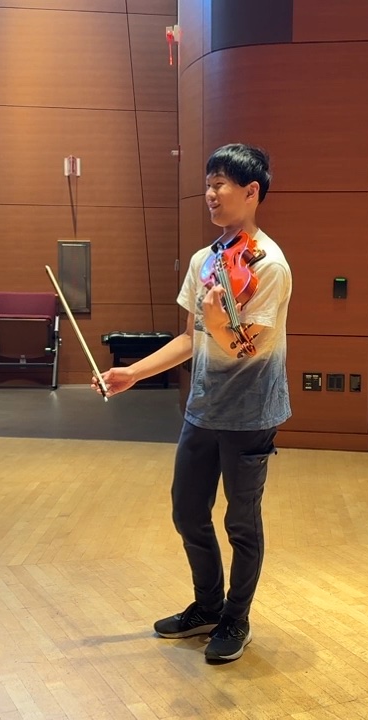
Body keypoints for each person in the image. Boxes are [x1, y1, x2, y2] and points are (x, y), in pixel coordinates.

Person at [97, 143, 291, 662]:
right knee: (187, 511)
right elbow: (191, 337)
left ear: (251, 191)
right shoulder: (206, 260)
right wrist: (133, 373)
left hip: (250, 412)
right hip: (203, 406)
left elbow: (246, 347)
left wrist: (222, 321)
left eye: (220, 183)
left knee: (241, 522)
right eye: (208, 183)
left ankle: (236, 617)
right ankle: (207, 606)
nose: (210, 193)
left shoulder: (270, 265)